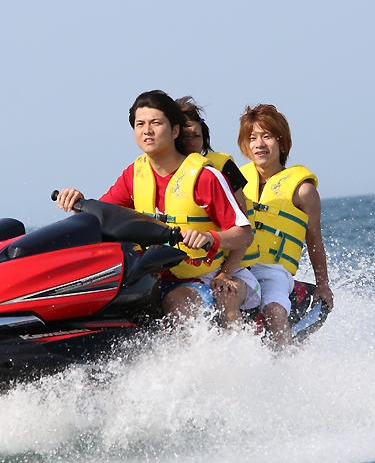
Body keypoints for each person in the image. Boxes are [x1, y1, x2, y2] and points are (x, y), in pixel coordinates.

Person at [56, 90, 253, 322]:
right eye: (140, 124)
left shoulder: (205, 177)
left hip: (201, 278)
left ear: (175, 131)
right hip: (150, 278)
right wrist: (80, 203)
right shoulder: (133, 175)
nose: (147, 130)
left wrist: (210, 238)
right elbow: (101, 216)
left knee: (177, 303)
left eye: (156, 123)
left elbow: (244, 234)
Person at [237, 104, 334, 349]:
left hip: (273, 271)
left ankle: (284, 362)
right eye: (252, 138)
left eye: (267, 136)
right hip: (238, 263)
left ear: (282, 142)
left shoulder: (303, 191)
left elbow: (314, 241)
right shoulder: (234, 182)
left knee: (274, 309)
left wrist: (323, 285)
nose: (259, 144)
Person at [175, 96, 261, 325]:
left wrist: (225, 273)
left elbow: (242, 227)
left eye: (197, 136)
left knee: (227, 296)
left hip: (232, 267)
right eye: (185, 137)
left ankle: (239, 344)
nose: (192, 142)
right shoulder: (158, 176)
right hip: (186, 272)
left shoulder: (221, 169)